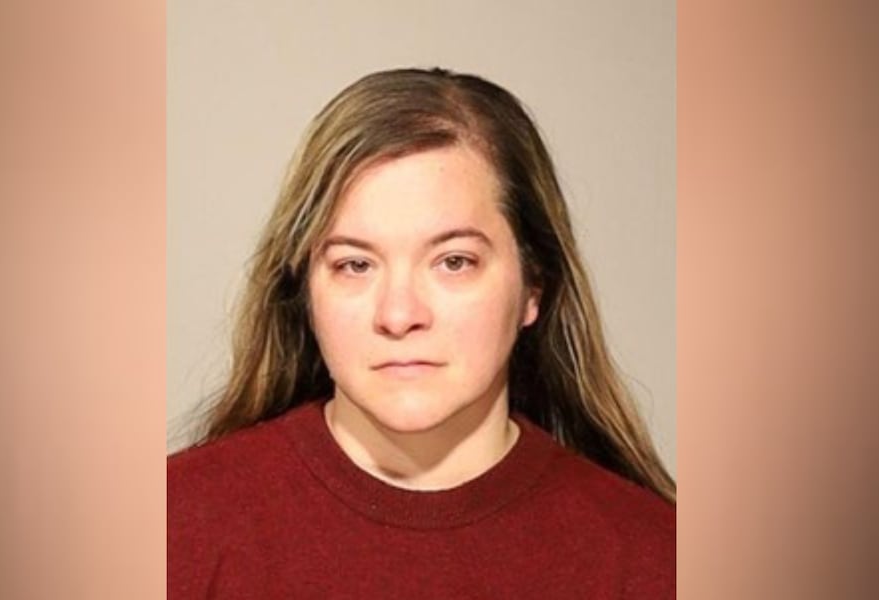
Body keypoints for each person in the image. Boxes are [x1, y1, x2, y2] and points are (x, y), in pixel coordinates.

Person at [168, 67, 675, 599]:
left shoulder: (657, 561)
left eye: (454, 261)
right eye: (355, 265)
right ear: (306, 292)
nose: (399, 314)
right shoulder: (172, 530)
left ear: (533, 287)